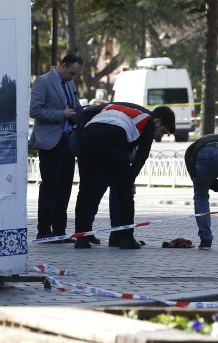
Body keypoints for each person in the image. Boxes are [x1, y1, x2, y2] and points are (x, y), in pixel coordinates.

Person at [73, 102, 175, 249]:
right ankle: (126, 238)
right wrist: (130, 180)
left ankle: (81, 238)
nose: (159, 136)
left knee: (85, 190)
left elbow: (87, 115)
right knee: (124, 193)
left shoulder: (114, 108)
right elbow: (142, 156)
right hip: (114, 138)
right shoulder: (148, 120)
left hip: (89, 137)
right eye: (163, 131)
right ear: (158, 122)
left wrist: (82, 137)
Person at [29, 54, 90, 242]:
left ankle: (60, 230)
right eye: (71, 73)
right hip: (50, 142)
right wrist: (61, 114)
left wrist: (83, 112)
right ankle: (44, 230)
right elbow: (35, 110)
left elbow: (75, 106)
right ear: (63, 65)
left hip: (68, 140)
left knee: (65, 187)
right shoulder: (42, 82)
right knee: (50, 186)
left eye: (76, 74)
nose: (73, 78)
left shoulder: (70, 84)